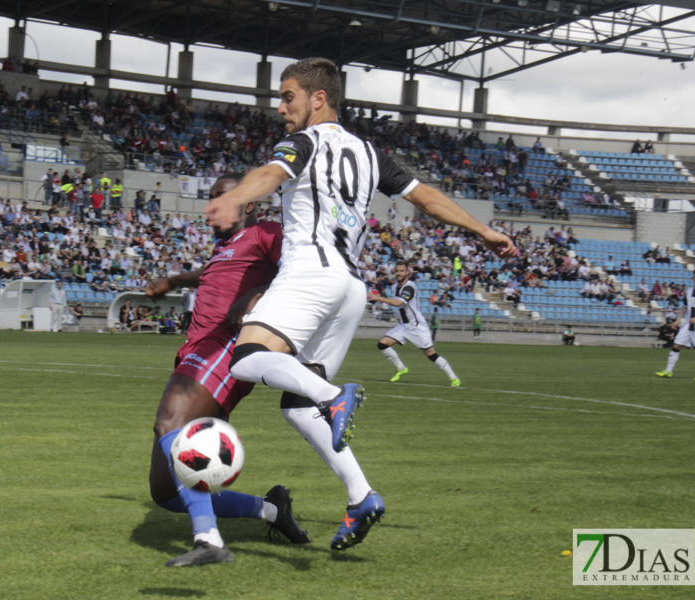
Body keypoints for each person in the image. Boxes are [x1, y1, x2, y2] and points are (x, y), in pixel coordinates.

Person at [205, 57, 516, 551]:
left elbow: (271, 171)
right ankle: (361, 495)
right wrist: (483, 230)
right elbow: (428, 198)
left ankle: (336, 398)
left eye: (288, 96)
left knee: (246, 359)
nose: (281, 106)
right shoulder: (371, 153)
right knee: (297, 407)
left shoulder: (305, 141)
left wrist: (236, 198)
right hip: (350, 288)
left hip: (310, 272)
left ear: (317, 98)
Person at [144, 173, 308, 567]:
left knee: (169, 422)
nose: (213, 208)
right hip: (196, 351)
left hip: (224, 346)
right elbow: (210, 275)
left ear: (249, 203)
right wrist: (174, 279)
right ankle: (272, 510)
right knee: (166, 493)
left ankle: (209, 540)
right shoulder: (225, 247)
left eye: (223, 198)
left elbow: (301, 267)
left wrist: (256, 295)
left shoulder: (266, 232)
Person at [369, 262, 460, 386]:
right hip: (403, 325)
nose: (399, 273)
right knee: (382, 344)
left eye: (402, 271)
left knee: (431, 354)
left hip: (416, 326)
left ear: (407, 272)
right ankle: (401, 368)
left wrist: (377, 298)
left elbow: (397, 303)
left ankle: (453, 377)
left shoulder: (409, 287)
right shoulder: (394, 287)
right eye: (397, 271)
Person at [656, 268, 695, 381]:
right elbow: (685, 307)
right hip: (687, 324)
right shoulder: (689, 292)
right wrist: (677, 320)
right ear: (692, 278)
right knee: (676, 345)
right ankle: (669, 370)